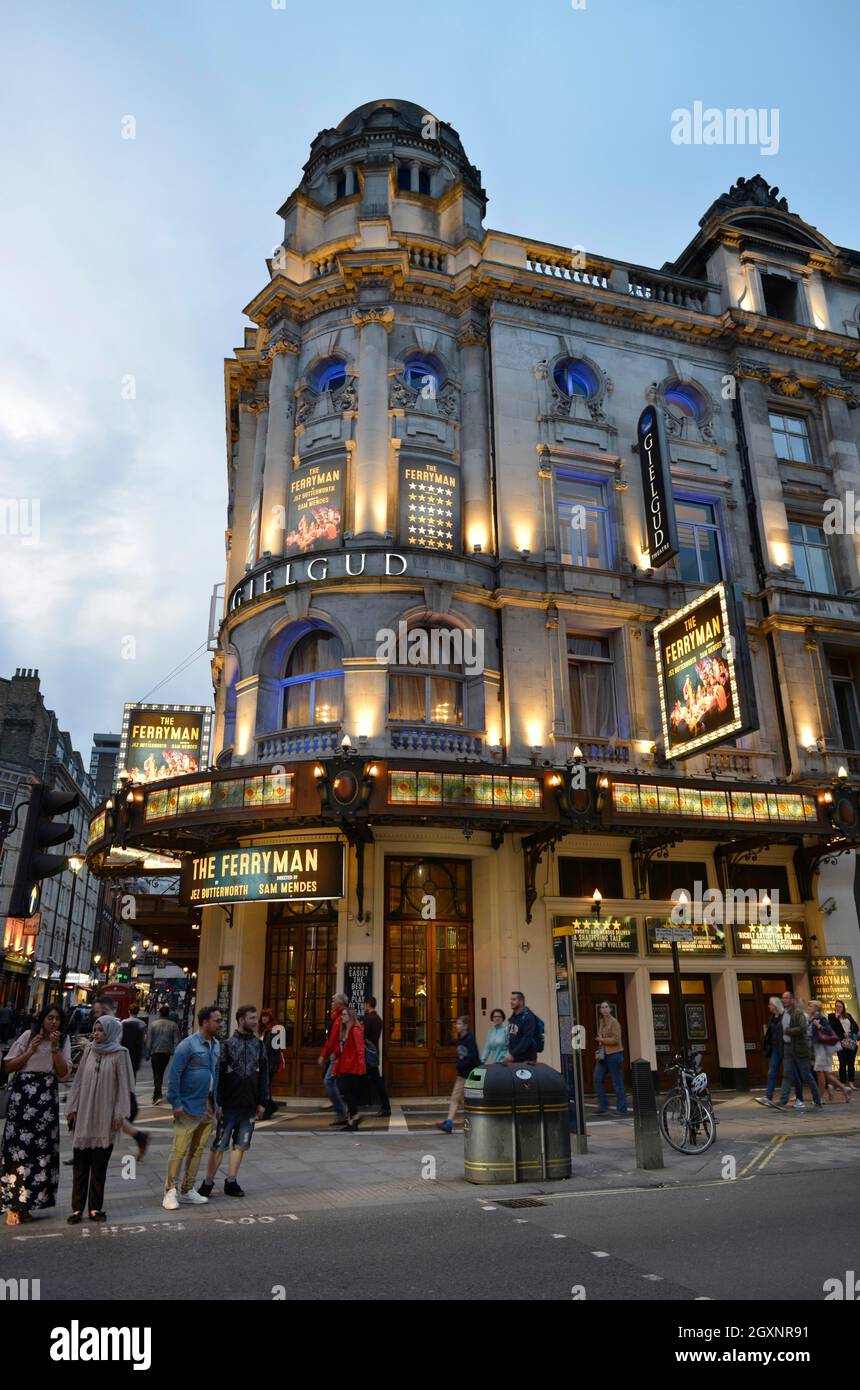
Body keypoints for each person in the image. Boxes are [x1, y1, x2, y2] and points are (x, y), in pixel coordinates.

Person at [1, 1004, 71, 1225]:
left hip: (46, 1098)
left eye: (57, 1019)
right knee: (17, 1151)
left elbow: (63, 1073)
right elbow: (8, 1066)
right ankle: (14, 1204)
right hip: (23, 1096)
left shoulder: (62, 1041)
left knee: (42, 1152)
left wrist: (53, 1049)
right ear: (42, 1019)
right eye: (50, 1017)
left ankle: (29, 1203)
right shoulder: (27, 1036)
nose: (53, 1022)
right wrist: (31, 1050)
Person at [65, 1015, 133, 1223]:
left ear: (111, 1032)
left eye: (101, 1030)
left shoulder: (120, 1054)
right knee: (80, 1164)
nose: (96, 1034)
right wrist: (72, 1107)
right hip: (85, 1113)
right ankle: (77, 1208)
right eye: (95, 1029)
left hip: (105, 1116)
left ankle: (95, 1208)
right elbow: (77, 1081)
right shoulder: (89, 1051)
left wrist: (120, 1113)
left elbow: (123, 1087)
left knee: (99, 1165)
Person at [198, 1005, 269, 1199]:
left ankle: (231, 1180)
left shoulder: (259, 1045)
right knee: (219, 1144)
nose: (255, 1021)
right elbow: (218, 1076)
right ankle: (208, 1182)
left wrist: (263, 1100)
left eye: (256, 1018)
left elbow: (264, 1074)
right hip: (228, 1105)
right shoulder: (227, 1045)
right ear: (241, 1020)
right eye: (252, 1018)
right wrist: (217, 1102)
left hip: (249, 1104)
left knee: (241, 1144)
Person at [162, 1006, 222, 1210]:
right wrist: (175, 1103)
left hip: (208, 1104)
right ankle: (170, 1191)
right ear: (205, 1022)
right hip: (188, 1104)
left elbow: (216, 1074)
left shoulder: (216, 1045)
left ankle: (187, 1189)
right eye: (217, 1021)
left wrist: (218, 1103)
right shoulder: (187, 1045)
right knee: (179, 1150)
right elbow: (175, 1075)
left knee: (197, 1150)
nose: (220, 1024)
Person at [775, 991, 822, 1111]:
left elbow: (802, 1028)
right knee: (786, 1074)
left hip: (799, 1047)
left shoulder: (797, 1012)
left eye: (786, 998)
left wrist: (788, 1031)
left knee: (806, 1075)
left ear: (791, 1000)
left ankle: (817, 1100)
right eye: (782, 998)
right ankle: (783, 1100)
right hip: (787, 1047)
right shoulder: (784, 1013)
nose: (783, 1000)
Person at [437, 1016, 480, 1134]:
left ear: (465, 1026)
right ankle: (449, 1123)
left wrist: (462, 1064)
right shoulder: (460, 1038)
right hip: (462, 1074)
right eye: (457, 1024)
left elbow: (473, 1056)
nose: (457, 1026)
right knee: (455, 1098)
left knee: (469, 1100)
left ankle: (476, 1124)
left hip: (471, 1074)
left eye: (459, 1024)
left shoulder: (470, 1038)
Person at [331, 1006, 367, 1131]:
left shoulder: (355, 1030)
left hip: (352, 1067)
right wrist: (335, 1057)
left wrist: (361, 1067)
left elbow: (360, 1049)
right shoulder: (346, 1030)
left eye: (345, 1014)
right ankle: (353, 1120)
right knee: (347, 1092)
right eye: (342, 1014)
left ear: (351, 1016)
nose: (342, 1016)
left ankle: (355, 1116)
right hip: (345, 1066)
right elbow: (342, 1049)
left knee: (343, 1090)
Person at [808, 1000, 850, 1103]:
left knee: (820, 1073)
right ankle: (844, 1089)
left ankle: (820, 1098)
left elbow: (829, 1031)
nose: (808, 1007)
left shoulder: (820, 1018)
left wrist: (819, 1026)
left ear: (816, 1008)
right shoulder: (812, 1018)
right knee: (826, 1074)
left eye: (811, 1006)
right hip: (818, 1049)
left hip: (822, 1049)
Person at [318, 991, 349, 1126]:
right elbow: (331, 1038)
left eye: (333, 1000)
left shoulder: (342, 1016)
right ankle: (343, 1112)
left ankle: (342, 1111)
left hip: (338, 1056)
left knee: (329, 1081)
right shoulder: (336, 1017)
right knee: (333, 1082)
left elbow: (342, 1038)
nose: (331, 1003)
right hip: (335, 1055)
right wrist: (324, 1054)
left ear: (340, 1002)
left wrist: (333, 1053)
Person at [593, 1001, 629, 1115]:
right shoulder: (602, 1022)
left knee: (617, 1081)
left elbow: (616, 1039)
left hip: (615, 1054)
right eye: (602, 1007)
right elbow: (601, 1038)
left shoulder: (614, 1022)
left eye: (606, 1007)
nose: (604, 1009)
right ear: (600, 1010)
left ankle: (622, 1109)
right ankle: (603, 1106)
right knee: (597, 1078)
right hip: (603, 1056)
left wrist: (602, 1040)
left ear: (610, 1009)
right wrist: (599, 1049)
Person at [362, 996, 391, 1117]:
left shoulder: (369, 1019)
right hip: (374, 1052)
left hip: (368, 1053)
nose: (363, 1006)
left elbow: (363, 1036)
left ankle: (386, 1107)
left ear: (368, 1004)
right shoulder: (378, 1018)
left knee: (376, 1081)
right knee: (373, 1079)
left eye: (364, 1004)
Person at [756, 997, 786, 1107]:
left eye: (770, 1004)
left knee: (791, 1074)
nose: (769, 1006)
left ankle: (799, 1097)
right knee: (771, 1072)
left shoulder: (784, 1017)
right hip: (775, 1049)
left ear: (775, 1005)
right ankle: (768, 1097)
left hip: (784, 1049)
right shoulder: (772, 1018)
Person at [147, 1005, 181, 1104]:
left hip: (155, 1051)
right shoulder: (173, 1025)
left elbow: (149, 1040)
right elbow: (176, 1041)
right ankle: (156, 1093)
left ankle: (157, 1094)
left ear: (160, 1013)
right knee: (160, 1072)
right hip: (166, 1052)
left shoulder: (153, 1024)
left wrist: (147, 1052)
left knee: (157, 1073)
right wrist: (173, 1051)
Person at [258, 1008, 283, 1121]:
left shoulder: (273, 1030)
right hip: (267, 1062)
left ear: (270, 1018)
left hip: (269, 1063)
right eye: (263, 1016)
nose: (264, 1018)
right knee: (265, 1086)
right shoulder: (266, 1030)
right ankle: (271, 1106)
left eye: (266, 1016)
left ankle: (269, 1108)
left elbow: (271, 1049)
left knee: (265, 1087)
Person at [828, 999, 858, 1090]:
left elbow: (856, 1027)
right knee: (842, 1063)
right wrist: (837, 1018)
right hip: (840, 1043)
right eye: (836, 1006)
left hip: (850, 1042)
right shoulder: (832, 1016)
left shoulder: (848, 1016)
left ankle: (851, 1083)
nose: (838, 1008)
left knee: (851, 1063)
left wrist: (850, 1033)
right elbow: (831, 1029)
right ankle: (842, 1084)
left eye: (840, 1006)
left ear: (843, 1007)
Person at [505, 991, 539, 1064]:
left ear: (521, 1001)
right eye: (511, 999)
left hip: (526, 1060)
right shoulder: (513, 1017)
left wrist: (512, 1054)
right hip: (514, 1059)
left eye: (514, 999)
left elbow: (527, 1039)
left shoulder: (528, 1017)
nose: (511, 1002)